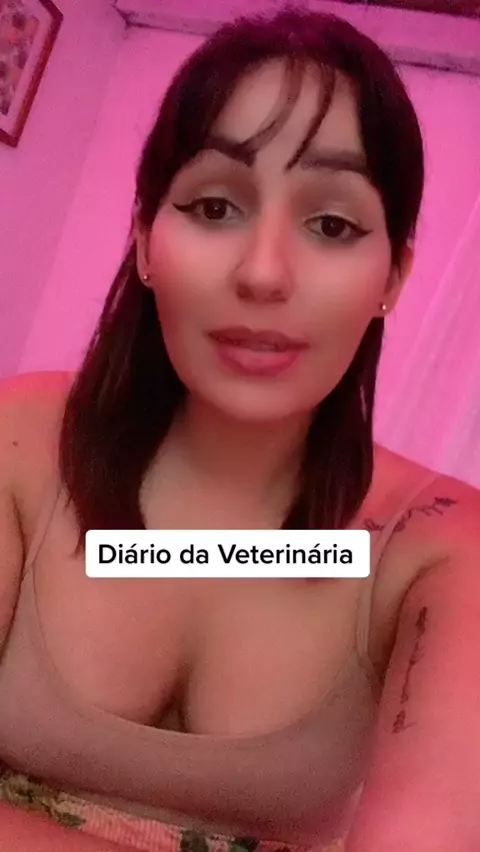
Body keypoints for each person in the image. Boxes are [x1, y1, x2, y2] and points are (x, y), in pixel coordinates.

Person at [0, 7, 479, 852]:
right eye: (216, 206)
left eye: (332, 225)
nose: (263, 273)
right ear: (145, 239)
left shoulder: (441, 548)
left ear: (393, 277)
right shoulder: (22, 443)